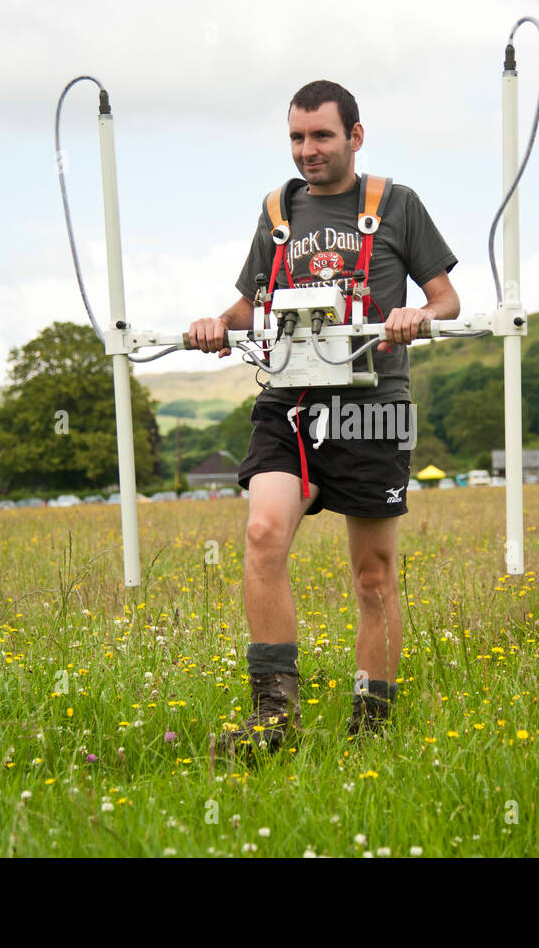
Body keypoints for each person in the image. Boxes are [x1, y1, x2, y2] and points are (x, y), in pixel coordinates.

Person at [188, 80, 459, 754]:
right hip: (290, 402)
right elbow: (249, 305)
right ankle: (275, 717)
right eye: (297, 137)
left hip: (371, 409)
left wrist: (415, 315)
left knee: (372, 575)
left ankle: (370, 731)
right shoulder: (278, 210)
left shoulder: (397, 205)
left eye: (321, 137)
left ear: (355, 137)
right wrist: (214, 324)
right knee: (261, 530)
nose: (307, 150)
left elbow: (448, 299)